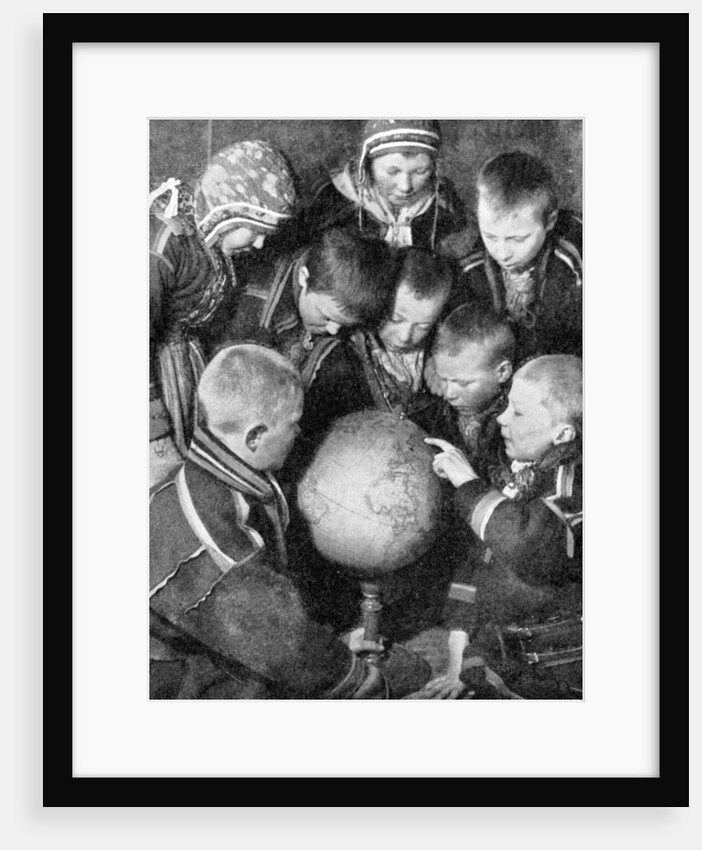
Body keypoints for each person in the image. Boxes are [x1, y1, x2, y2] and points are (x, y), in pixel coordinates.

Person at [150, 344, 425, 700]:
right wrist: (371, 685)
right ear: (255, 436)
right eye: (293, 424)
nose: (299, 434)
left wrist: (333, 646)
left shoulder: (209, 479)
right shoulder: (219, 546)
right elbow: (283, 646)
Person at [422, 354, 583, 699]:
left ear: (563, 434)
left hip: (553, 676)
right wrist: (457, 655)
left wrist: (468, 482)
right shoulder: (525, 472)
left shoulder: (574, 489)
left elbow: (522, 541)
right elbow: (479, 563)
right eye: (507, 404)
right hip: (497, 657)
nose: (502, 417)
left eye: (519, 412)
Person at [149, 140, 297, 487]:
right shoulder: (166, 243)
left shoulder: (209, 241)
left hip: (184, 367)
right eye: (256, 230)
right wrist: (154, 437)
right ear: (226, 211)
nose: (260, 244)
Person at [210, 227, 396, 389]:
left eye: (343, 323)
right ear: (303, 277)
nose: (333, 329)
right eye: (327, 317)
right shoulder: (257, 314)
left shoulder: (327, 262)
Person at [457, 151, 582, 362]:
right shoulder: (471, 265)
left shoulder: (577, 256)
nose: (502, 253)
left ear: (550, 222)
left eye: (517, 239)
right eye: (490, 236)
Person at [301, 119, 465, 251]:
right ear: (367, 166)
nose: (405, 186)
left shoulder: (448, 212)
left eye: (420, 171)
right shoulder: (332, 206)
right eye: (392, 172)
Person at [429, 303, 515, 479]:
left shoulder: (515, 424)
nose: (449, 393)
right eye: (443, 379)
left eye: (463, 383)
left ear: (502, 372)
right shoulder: (442, 414)